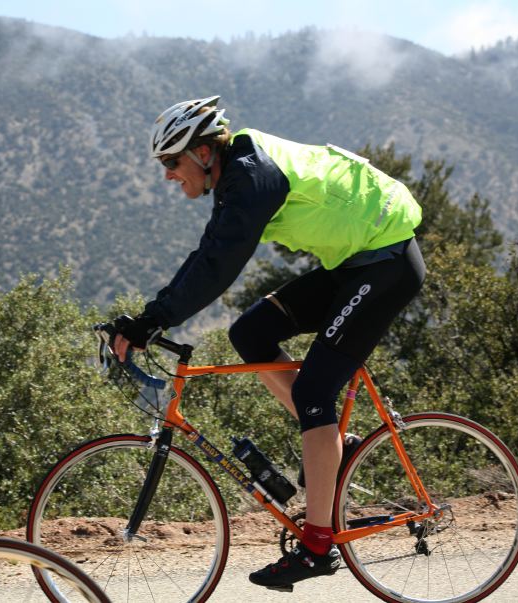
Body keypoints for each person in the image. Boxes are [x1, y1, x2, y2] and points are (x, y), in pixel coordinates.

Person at [111, 96, 425, 591]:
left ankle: (318, 546)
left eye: (171, 162)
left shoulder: (252, 176)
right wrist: (151, 317)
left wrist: (152, 321)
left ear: (201, 152)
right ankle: (334, 446)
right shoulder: (236, 174)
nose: (168, 174)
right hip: (354, 262)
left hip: (386, 262)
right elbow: (208, 252)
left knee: (314, 394)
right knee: (250, 334)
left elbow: (219, 264)